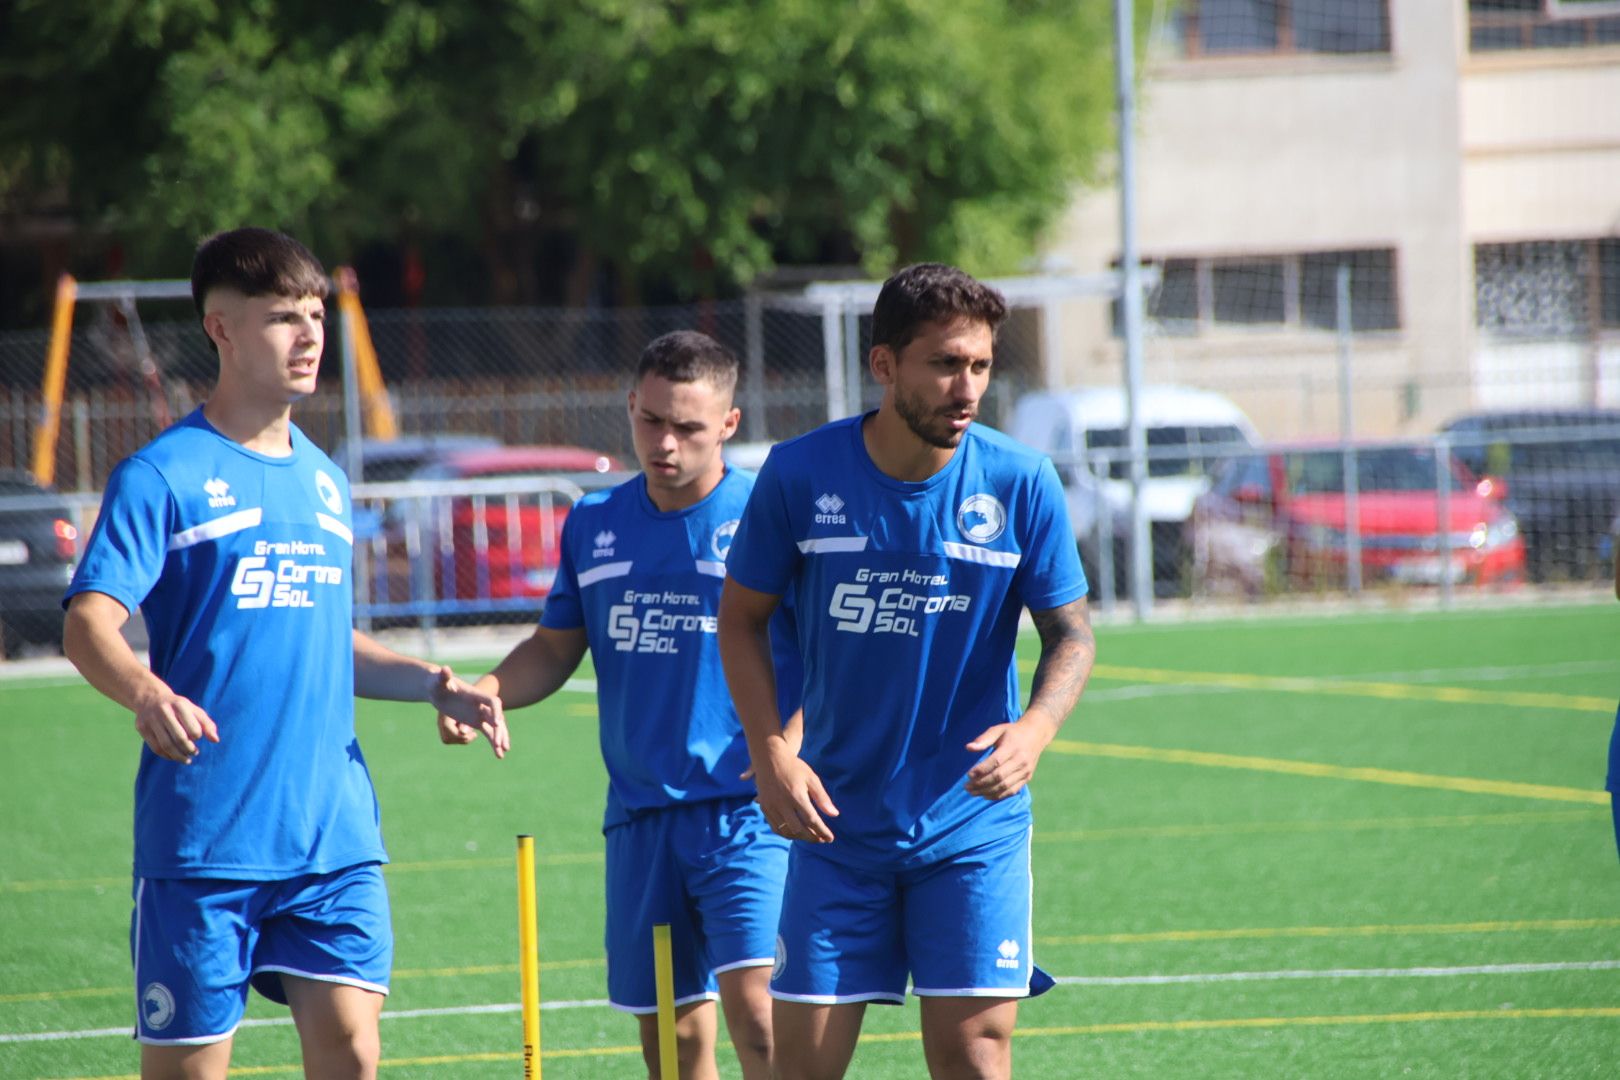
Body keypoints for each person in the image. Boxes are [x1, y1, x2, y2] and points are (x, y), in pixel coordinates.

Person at [62, 227, 509, 1080]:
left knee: (350, 1051)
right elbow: (88, 623)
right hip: (206, 839)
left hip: (331, 835)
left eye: (314, 314)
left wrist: (432, 685)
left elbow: (323, 638)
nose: (309, 336)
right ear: (221, 329)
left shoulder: (326, 479)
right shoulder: (162, 476)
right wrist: (146, 692)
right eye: (281, 318)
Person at [717, 263, 1097, 1080]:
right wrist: (772, 752)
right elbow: (740, 619)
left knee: (973, 1057)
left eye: (982, 366)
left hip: (971, 826)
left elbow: (1071, 635)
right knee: (800, 1068)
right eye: (946, 364)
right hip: (834, 825)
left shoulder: (1020, 481)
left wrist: (1036, 728)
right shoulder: (800, 473)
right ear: (885, 365)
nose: (967, 388)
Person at [439, 330, 800, 1080]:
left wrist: (787, 752)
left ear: (729, 426)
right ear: (631, 406)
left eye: (689, 427)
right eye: (651, 421)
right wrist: (488, 692)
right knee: (672, 1045)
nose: (664, 443)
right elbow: (555, 645)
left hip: (747, 811)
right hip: (639, 816)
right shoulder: (594, 521)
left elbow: (829, 664)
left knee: (763, 1022)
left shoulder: (770, 516)